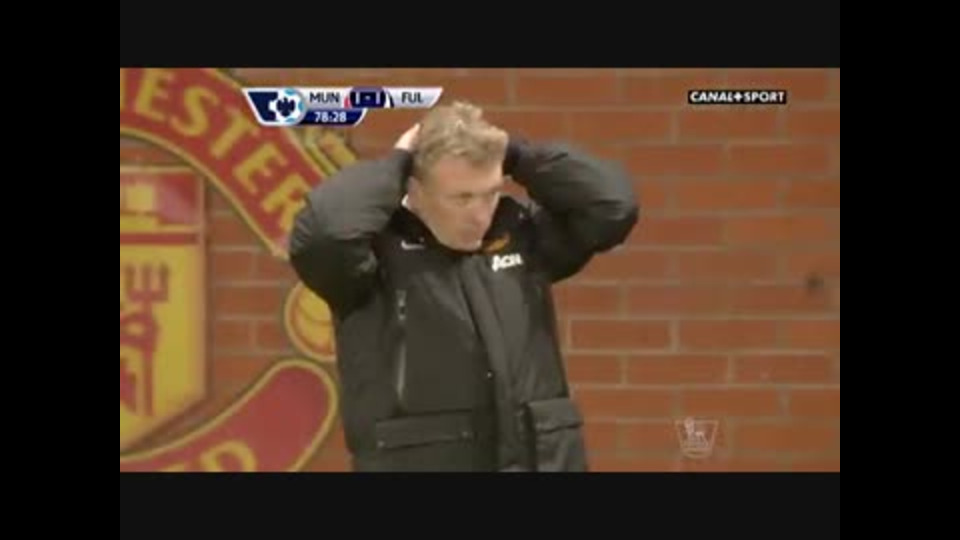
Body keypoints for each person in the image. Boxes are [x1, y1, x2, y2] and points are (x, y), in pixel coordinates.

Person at [288, 101, 639, 472]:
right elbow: (324, 233)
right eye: (462, 198)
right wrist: (397, 162)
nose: (480, 214)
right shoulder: (373, 259)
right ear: (414, 189)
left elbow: (613, 205)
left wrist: (517, 154)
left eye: (490, 192)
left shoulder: (520, 235)